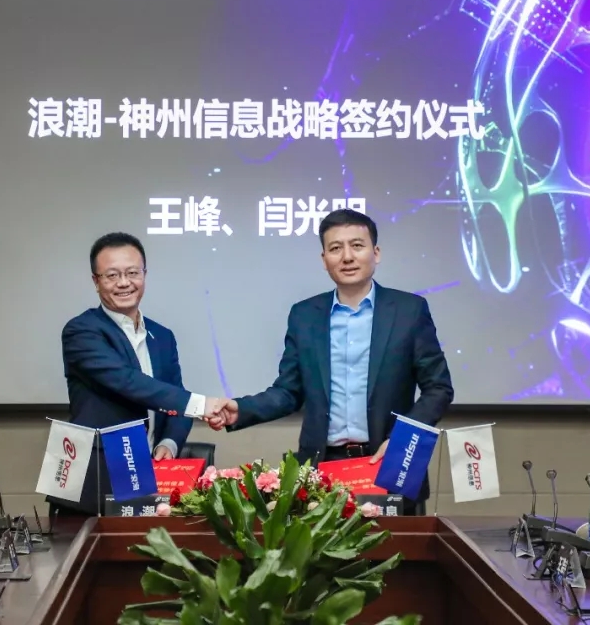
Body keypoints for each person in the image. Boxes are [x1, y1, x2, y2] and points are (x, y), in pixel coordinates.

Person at [206, 209, 454, 515]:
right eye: (336, 248)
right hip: (322, 468)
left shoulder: (409, 310)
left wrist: (403, 440)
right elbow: (289, 391)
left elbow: (438, 388)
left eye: (357, 246)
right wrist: (240, 409)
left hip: (388, 460)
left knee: (396, 547)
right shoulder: (304, 315)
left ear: (376, 253)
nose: (347, 257)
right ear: (324, 259)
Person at [52, 232, 225, 516]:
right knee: (78, 545)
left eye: (133, 272)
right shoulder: (81, 330)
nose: (124, 283)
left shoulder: (162, 336)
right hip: (91, 481)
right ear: (96, 281)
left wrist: (169, 443)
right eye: (112, 275)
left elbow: (175, 397)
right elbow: (128, 382)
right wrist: (202, 405)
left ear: (144, 274)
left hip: (146, 474)